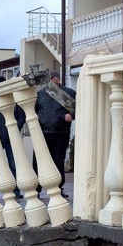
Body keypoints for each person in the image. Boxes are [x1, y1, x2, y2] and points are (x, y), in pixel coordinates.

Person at [33, 70, 75, 198]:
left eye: (52, 78)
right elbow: (34, 110)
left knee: (58, 160)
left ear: (58, 79)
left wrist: (72, 115)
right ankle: (36, 189)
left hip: (60, 133)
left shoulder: (68, 92)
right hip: (43, 133)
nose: (50, 81)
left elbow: (78, 107)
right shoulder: (40, 94)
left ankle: (58, 188)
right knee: (39, 161)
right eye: (49, 79)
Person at [0, 76, 26, 199]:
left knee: (13, 165)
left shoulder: (13, 99)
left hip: (11, 138)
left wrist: (15, 128)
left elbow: (22, 116)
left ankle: (15, 191)